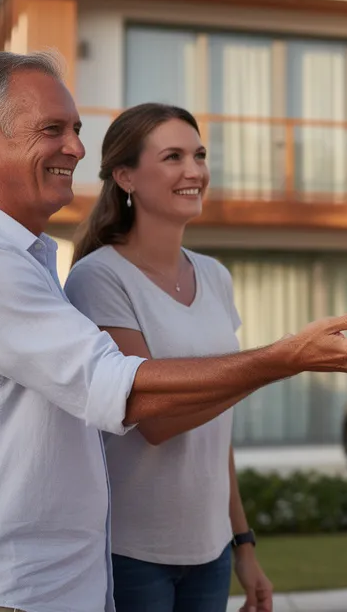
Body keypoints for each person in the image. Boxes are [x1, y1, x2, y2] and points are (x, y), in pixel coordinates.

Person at [0, 51, 347, 612]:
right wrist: (283, 360)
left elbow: (204, 428)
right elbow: (124, 392)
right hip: (3, 588)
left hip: (62, 580)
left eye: (76, 129)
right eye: (54, 129)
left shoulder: (29, 262)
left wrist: (241, 540)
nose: (76, 147)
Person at [62, 103, 269, 612]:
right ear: (125, 176)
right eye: (173, 157)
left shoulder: (215, 276)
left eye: (199, 155)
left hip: (212, 548)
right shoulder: (99, 278)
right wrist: (274, 365)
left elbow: (217, 435)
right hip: (132, 551)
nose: (194, 171)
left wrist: (242, 543)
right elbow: (155, 418)